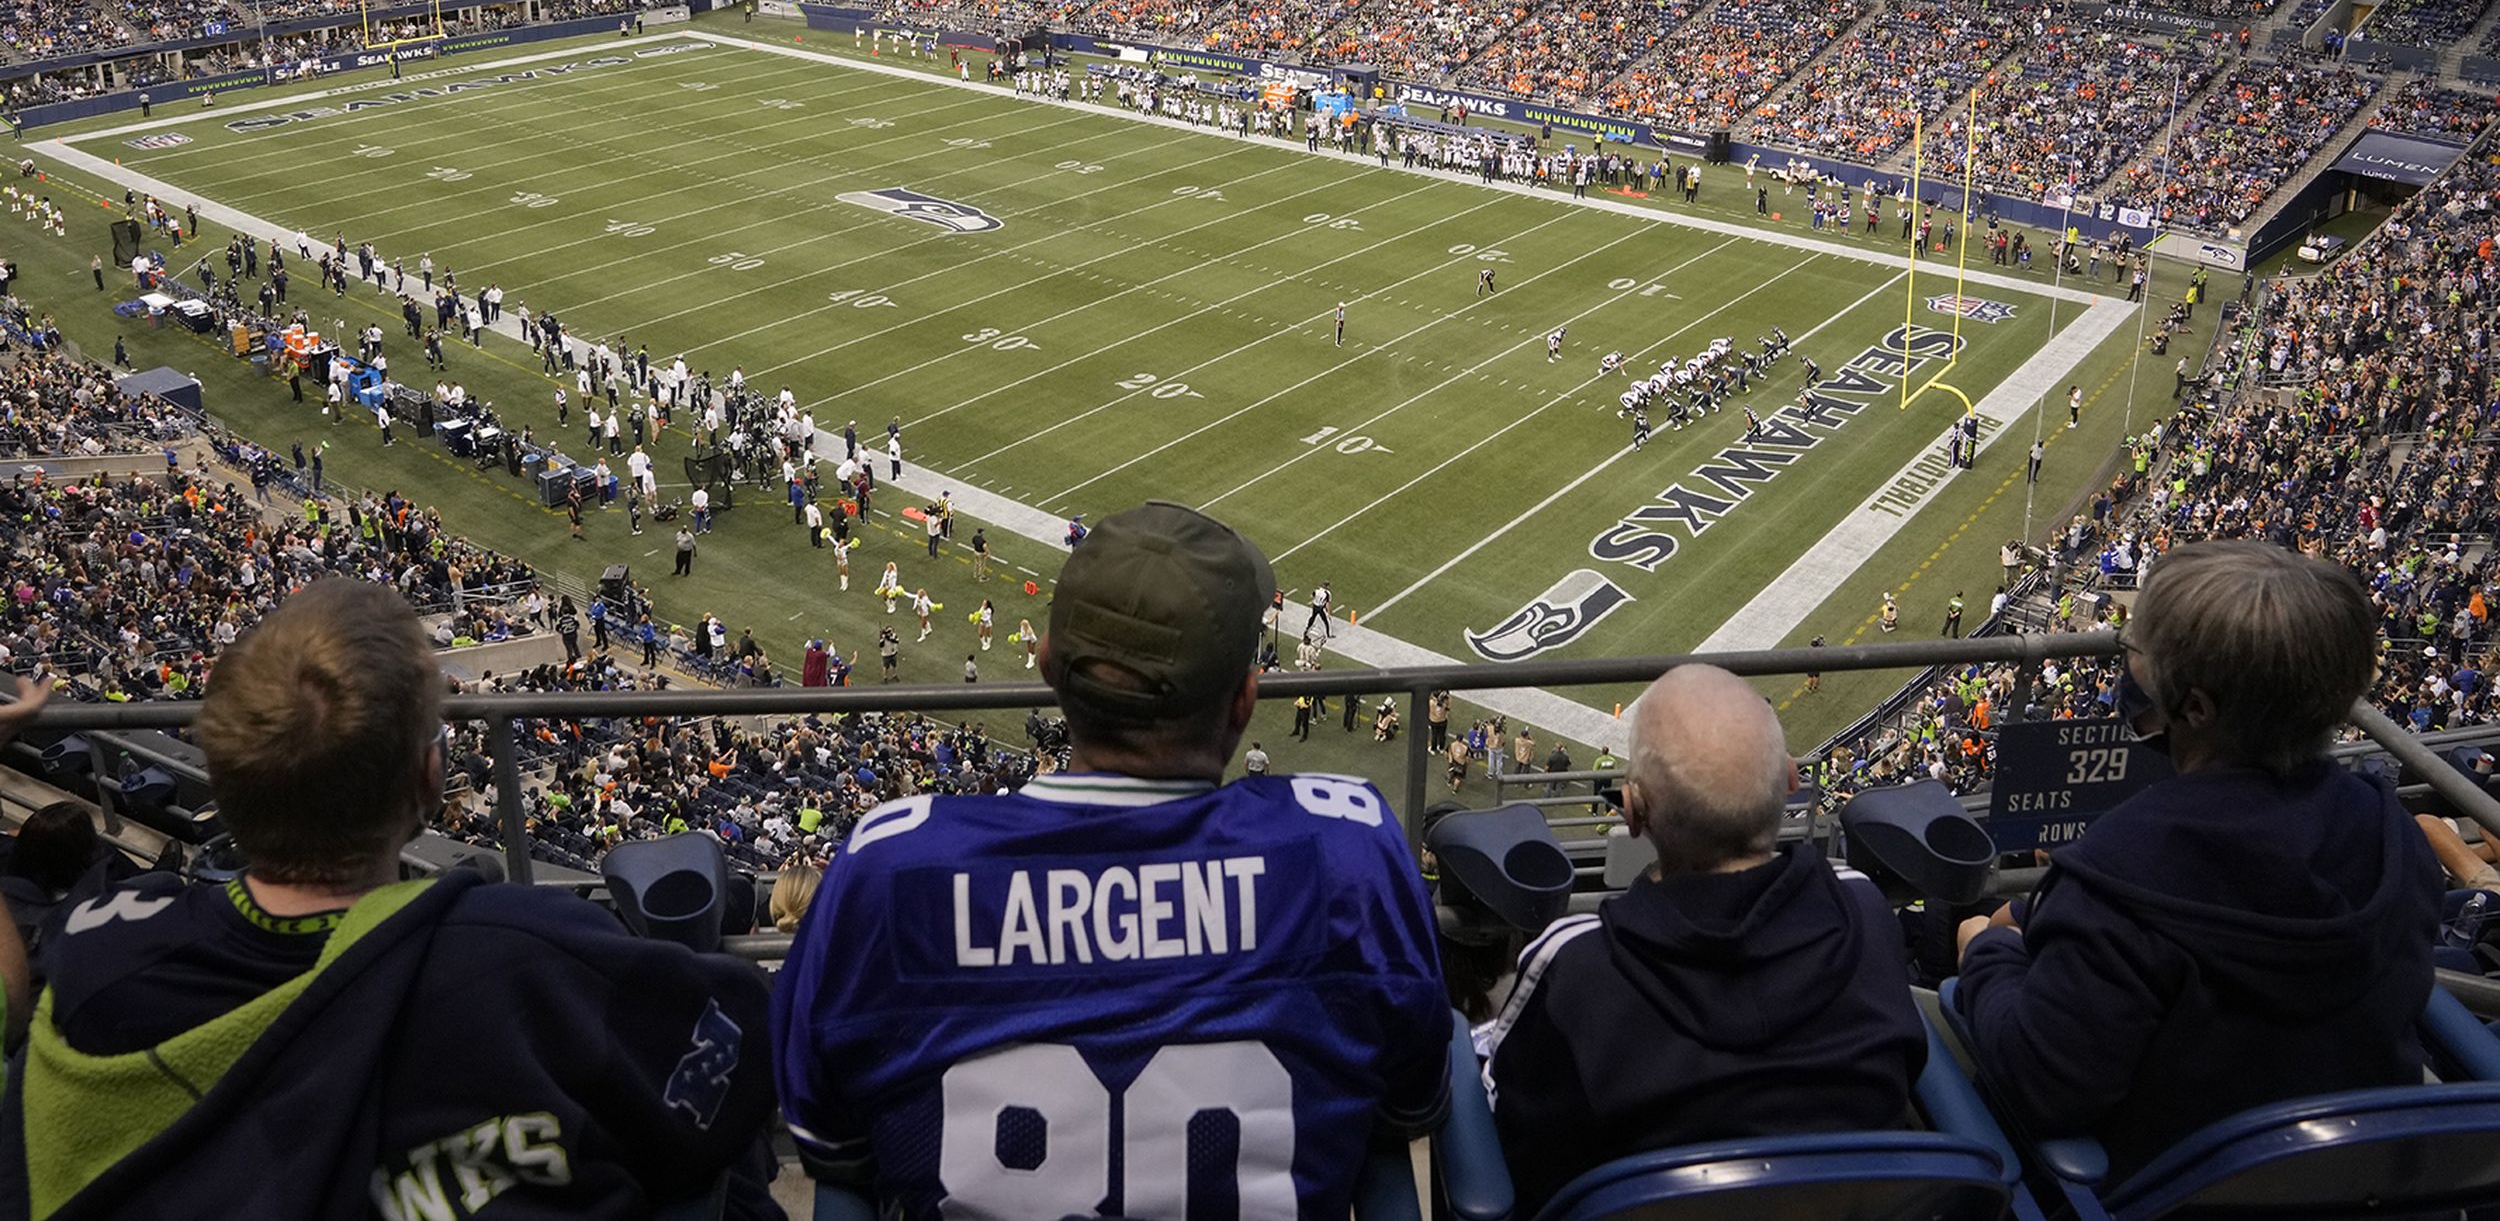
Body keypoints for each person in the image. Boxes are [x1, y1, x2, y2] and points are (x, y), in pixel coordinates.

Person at [2, 580, 775, 1216]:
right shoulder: (527, 953)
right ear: (429, 780)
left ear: (226, 788)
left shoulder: (91, 950)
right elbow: (736, 1074)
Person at [773, 501, 1449, 1219]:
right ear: (1245, 699)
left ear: (1046, 666)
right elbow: (1403, 1107)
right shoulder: (1347, 850)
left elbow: (833, 1141)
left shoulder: (891, 864)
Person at [1955, 542, 2442, 1182]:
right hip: (2364, 1175)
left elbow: (2041, 1086)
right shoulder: (2391, 831)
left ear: (2197, 708)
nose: (2127, 663)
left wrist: (1990, 956)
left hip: (2181, 1188)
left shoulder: (2120, 873)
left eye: (2140, 653)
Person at [1485, 665, 1924, 1213]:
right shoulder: (1862, 908)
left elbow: (1519, 1139)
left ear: (1635, 811)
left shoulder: (1575, 963)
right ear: (1791, 781)